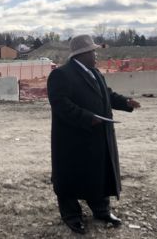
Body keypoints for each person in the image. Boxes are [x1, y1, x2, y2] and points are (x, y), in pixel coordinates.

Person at [47, 34, 141, 234]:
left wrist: (125, 102)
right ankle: (71, 215)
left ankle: (101, 210)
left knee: (99, 173)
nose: (96, 54)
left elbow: (106, 94)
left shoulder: (95, 72)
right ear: (82, 54)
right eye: (93, 51)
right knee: (71, 176)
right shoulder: (61, 75)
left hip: (98, 136)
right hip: (73, 139)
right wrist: (88, 117)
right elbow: (61, 105)